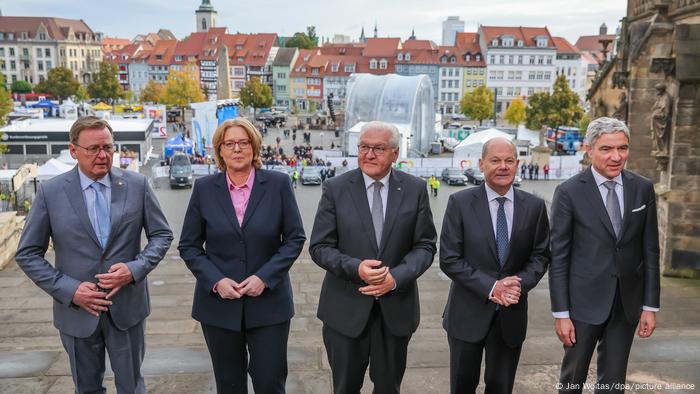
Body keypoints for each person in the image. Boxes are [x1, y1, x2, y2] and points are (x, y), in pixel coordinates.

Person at [15, 116, 173, 393]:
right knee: (86, 389)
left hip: (127, 309)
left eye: (108, 148)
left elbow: (162, 236)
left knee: (132, 387)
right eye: (93, 149)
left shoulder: (137, 185)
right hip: (76, 312)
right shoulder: (51, 193)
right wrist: (71, 290)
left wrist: (135, 269)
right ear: (73, 150)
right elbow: (28, 254)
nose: (102, 155)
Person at [179, 118, 306, 393]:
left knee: (270, 382)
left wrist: (264, 277)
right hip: (219, 306)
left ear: (254, 147)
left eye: (243, 142)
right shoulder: (204, 189)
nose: (237, 149)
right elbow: (188, 245)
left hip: (269, 304)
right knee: (229, 384)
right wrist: (215, 280)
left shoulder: (278, 184)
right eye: (229, 144)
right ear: (220, 151)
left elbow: (294, 238)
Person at [309, 121, 437, 394]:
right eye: (364, 147)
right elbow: (320, 246)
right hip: (344, 311)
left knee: (389, 388)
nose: (369, 154)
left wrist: (395, 278)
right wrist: (356, 268)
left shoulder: (415, 189)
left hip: (395, 312)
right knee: (344, 388)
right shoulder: (336, 188)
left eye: (378, 148)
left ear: (395, 153)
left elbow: (425, 246)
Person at [549, 117, 660, 394]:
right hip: (581, 307)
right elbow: (559, 256)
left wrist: (650, 306)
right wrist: (561, 313)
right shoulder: (569, 192)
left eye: (622, 149)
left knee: (613, 384)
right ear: (589, 149)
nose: (616, 157)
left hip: (626, 305)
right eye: (607, 149)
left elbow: (650, 250)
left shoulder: (642, 188)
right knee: (572, 381)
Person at [440, 137, 550, 394]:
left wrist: (515, 286)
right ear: (481, 164)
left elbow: (541, 255)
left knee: (501, 387)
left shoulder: (534, 207)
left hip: (510, 317)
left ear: (517, 164)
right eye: (495, 160)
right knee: (462, 386)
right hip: (466, 315)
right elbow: (449, 258)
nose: (503, 166)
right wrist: (492, 287)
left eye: (509, 160)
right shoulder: (460, 203)